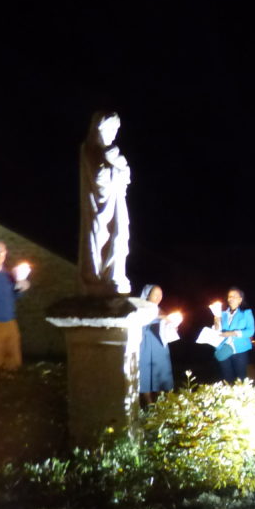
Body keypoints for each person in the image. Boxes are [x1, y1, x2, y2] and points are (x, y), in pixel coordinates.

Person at [78, 111, 132, 295]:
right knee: (101, 238)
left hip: (117, 203)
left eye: (117, 129)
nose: (114, 133)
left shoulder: (110, 151)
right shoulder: (90, 149)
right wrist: (116, 165)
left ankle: (114, 274)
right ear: (100, 128)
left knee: (120, 236)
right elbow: (99, 179)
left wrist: (120, 165)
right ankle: (99, 277)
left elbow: (126, 176)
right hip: (101, 207)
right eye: (112, 128)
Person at [0, 239, 29, 371]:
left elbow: (14, 295)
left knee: (14, 362)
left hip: (10, 323)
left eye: (4, 251)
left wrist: (21, 285)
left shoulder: (8, 275)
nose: (1, 255)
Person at [138, 284, 174, 405]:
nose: (159, 297)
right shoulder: (140, 307)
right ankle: (148, 402)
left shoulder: (160, 310)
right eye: (156, 294)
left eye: (161, 294)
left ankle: (163, 401)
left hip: (159, 344)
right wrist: (163, 318)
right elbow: (144, 320)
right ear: (148, 295)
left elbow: (167, 325)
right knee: (146, 372)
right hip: (145, 344)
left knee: (162, 370)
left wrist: (172, 326)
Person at [216, 287, 255, 383]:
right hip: (224, 349)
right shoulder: (222, 314)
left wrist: (232, 333)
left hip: (240, 350)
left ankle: (242, 397)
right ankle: (228, 397)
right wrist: (216, 318)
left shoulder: (246, 312)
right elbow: (217, 330)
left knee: (241, 378)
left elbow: (251, 331)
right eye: (229, 296)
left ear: (240, 299)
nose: (231, 298)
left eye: (234, 296)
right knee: (227, 378)